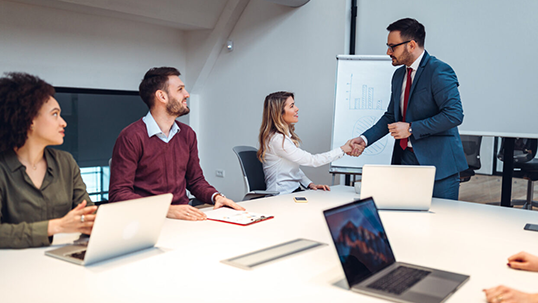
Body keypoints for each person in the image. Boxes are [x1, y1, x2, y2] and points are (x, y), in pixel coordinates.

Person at [350, 18, 467, 200]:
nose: (388, 52)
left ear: (411, 45)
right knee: (406, 222)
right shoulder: (398, 75)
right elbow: (391, 116)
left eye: (392, 46)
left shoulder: (439, 71)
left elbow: (454, 115)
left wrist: (411, 128)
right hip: (405, 161)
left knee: (442, 224)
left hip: (439, 165)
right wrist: (365, 139)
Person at [109, 67, 244, 220]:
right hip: (145, 220)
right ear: (161, 96)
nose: (186, 94)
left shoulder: (187, 134)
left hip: (183, 218)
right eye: (180, 90)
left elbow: (195, 180)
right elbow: (118, 194)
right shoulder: (131, 136)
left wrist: (216, 197)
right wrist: (166, 210)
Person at [0, 72, 97, 249]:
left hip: (63, 258)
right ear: (30, 120)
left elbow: (87, 211)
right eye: (55, 114)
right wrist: (56, 226)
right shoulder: (2, 169)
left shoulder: (66, 162)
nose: (63, 122)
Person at [257, 91, 359, 195]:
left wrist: (310, 184)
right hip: (280, 196)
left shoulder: (283, 138)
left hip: (292, 192)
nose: (297, 109)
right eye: (291, 106)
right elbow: (313, 161)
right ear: (279, 112)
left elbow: (292, 169)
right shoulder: (278, 140)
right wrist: (342, 150)